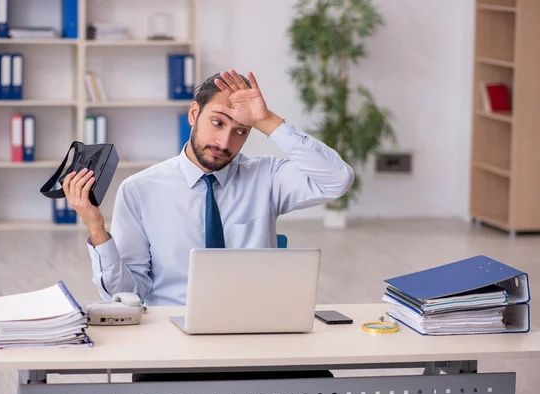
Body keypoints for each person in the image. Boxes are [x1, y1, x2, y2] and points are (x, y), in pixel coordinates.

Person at [63, 69, 355, 306]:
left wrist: (267, 121)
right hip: (173, 335)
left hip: (255, 332)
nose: (224, 142)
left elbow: (336, 179)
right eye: (217, 122)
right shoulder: (140, 190)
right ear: (194, 114)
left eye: (241, 131)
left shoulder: (266, 177)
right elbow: (126, 295)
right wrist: (97, 229)